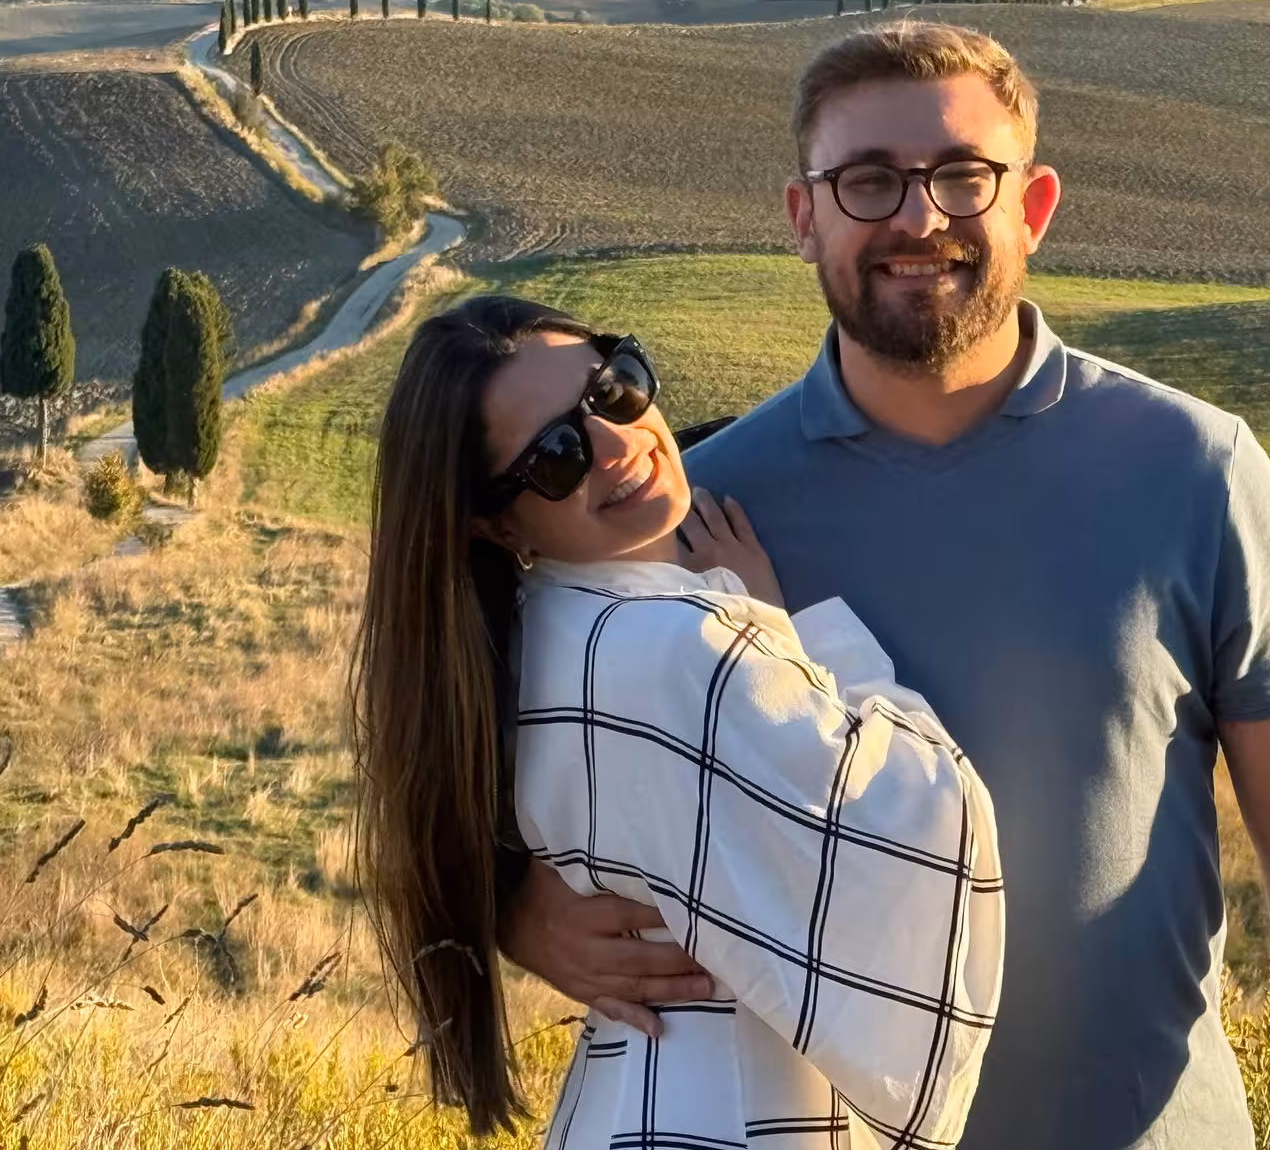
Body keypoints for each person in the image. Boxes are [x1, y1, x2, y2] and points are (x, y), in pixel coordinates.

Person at [503, 22, 1270, 1149]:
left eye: (963, 176)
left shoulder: (1194, 468)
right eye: (868, 180)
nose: (919, 218)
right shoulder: (694, 512)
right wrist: (511, 905)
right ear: (804, 217)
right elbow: (485, 721)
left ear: (1033, 206)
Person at [351, 296, 1004, 1147]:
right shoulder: (679, 649)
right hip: (739, 1109)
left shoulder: (522, 645)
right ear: (495, 521)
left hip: (630, 1098)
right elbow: (924, 827)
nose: (619, 444)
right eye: (558, 456)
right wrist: (788, 632)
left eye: (613, 390)